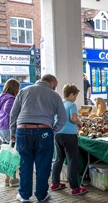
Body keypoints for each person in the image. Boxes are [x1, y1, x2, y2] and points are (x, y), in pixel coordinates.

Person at [10, 74, 67, 202]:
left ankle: (24, 195)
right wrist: (53, 130)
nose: (54, 89)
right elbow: (63, 118)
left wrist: (12, 131)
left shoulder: (24, 91)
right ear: (51, 83)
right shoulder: (54, 95)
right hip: (44, 131)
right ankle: (41, 195)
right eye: (55, 86)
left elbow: (13, 114)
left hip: (23, 129)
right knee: (43, 164)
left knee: (25, 163)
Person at [51, 84, 87, 195]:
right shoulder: (72, 105)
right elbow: (73, 119)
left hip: (58, 134)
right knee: (72, 160)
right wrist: (80, 123)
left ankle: (55, 183)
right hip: (69, 136)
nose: (76, 98)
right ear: (71, 94)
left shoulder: (59, 104)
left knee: (59, 159)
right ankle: (75, 188)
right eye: (75, 95)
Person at [0, 78, 20, 187]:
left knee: (7, 152)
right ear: (15, 88)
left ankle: (7, 179)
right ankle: (13, 179)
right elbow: (10, 112)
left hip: (1, 127)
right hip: (8, 128)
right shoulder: (11, 98)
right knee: (12, 153)